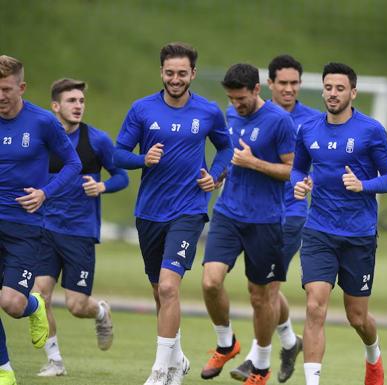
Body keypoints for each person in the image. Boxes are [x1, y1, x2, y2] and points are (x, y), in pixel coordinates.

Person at [114, 42, 233, 385]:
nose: (176, 79)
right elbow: (118, 153)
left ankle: (161, 371)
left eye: (182, 73)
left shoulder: (208, 111)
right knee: (159, 292)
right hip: (150, 212)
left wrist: (216, 173)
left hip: (189, 209)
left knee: (169, 287)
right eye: (170, 73)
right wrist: (142, 160)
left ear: (193, 73)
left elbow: (225, 147)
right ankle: (177, 357)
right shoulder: (142, 109)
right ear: (161, 72)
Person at [291, 62, 387, 385]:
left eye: (340, 88)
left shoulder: (371, 131)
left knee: (357, 317)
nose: (333, 94)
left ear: (352, 92)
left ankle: (373, 356)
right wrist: (299, 183)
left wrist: (363, 186)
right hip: (319, 230)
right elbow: (298, 168)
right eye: (328, 88)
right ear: (322, 90)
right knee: (314, 306)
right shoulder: (308, 129)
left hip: (358, 235)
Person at [200, 63, 296, 385]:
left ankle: (262, 367)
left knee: (261, 296)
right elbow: (230, 155)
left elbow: (291, 171)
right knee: (210, 282)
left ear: (257, 90)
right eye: (231, 98)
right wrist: (219, 175)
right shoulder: (230, 114)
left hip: (266, 219)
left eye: (241, 98)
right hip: (228, 213)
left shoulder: (280, 121)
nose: (236, 104)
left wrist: (253, 162)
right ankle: (227, 343)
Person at [229, 54, 321, 384]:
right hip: (254, 213)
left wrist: (311, 181)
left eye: (295, 83)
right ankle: (289, 341)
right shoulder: (253, 115)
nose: (289, 88)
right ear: (268, 85)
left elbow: (323, 161)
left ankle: (256, 359)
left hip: (292, 213)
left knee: (267, 288)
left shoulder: (313, 120)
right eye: (282, 83)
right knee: (259, 289)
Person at [32, 78, 129, 377]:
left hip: (80, 232)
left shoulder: (97, 140)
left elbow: (122, 177)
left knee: (75, 305)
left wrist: (102, 186)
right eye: (71, 101)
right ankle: (55, 362)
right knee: (40, 297)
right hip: (45, 228)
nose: (78, 106)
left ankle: (100, 311)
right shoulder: (42, 139)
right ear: (55, 106)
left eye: (81, 101)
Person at [0, 55, 81, 384]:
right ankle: (4, 370)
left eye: (6, 89)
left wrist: (45, 193)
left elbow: (73, 165)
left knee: (10, 303)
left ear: (21, 87)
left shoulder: (42, 122)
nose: (0, 96)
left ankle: (32, 307)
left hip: (25, 227)